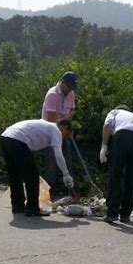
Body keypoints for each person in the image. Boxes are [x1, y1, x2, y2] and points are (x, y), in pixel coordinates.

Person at [0, 119, 75, 216]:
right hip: (18, 140)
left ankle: (17, 206)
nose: (64, 137)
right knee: (32, 176)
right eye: (66, 134)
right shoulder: (56, 130)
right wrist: (66, 174)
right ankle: (32, 208)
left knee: (15, 174)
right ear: (65, 127)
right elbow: (58, 154)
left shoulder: (46, 126)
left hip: (5, 137)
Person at [99, 105, 133, 223]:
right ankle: (125, 215)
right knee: (132, 178)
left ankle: (112, 214)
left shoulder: (114, 112)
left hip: (123, 137)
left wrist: (104, 147)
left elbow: (107, 126)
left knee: (115, 175)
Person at [40, 71, 78, 199]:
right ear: (62, 83)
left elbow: (73, 110)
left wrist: (67, 126)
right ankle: (50, 194)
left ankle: (69, 192)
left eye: (72, 88)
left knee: (67, 162)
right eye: (69, 87)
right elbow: (51, 122)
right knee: (52, 163)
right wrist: (64, 125)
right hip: (50, 134)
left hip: (63, 132)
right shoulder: (52, 95)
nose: (70, 90)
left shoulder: (71, 93)